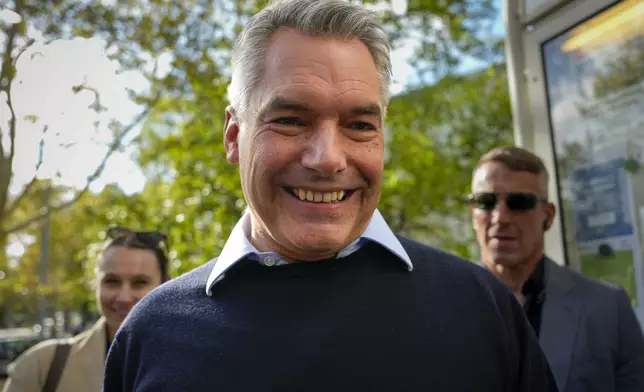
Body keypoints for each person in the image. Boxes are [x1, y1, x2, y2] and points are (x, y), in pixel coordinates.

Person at [103, 1, 558, 391]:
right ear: (233, 137)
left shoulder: (483, 311)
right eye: (290, 120)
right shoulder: (150, 336)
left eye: (359, 125)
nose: (327, 158)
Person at [469, 146, 644, 392]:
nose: (501, 217)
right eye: (486, 202)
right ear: (472, 212)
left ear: (548, 216)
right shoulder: (443, 303)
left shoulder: (608, 308)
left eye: (519, 202)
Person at [3, 227, 169, 392]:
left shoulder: (189, 364)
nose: (124, 297)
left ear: (166, 287)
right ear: (95, 284)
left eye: (139, 282)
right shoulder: (40, 367)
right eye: (112, 281)